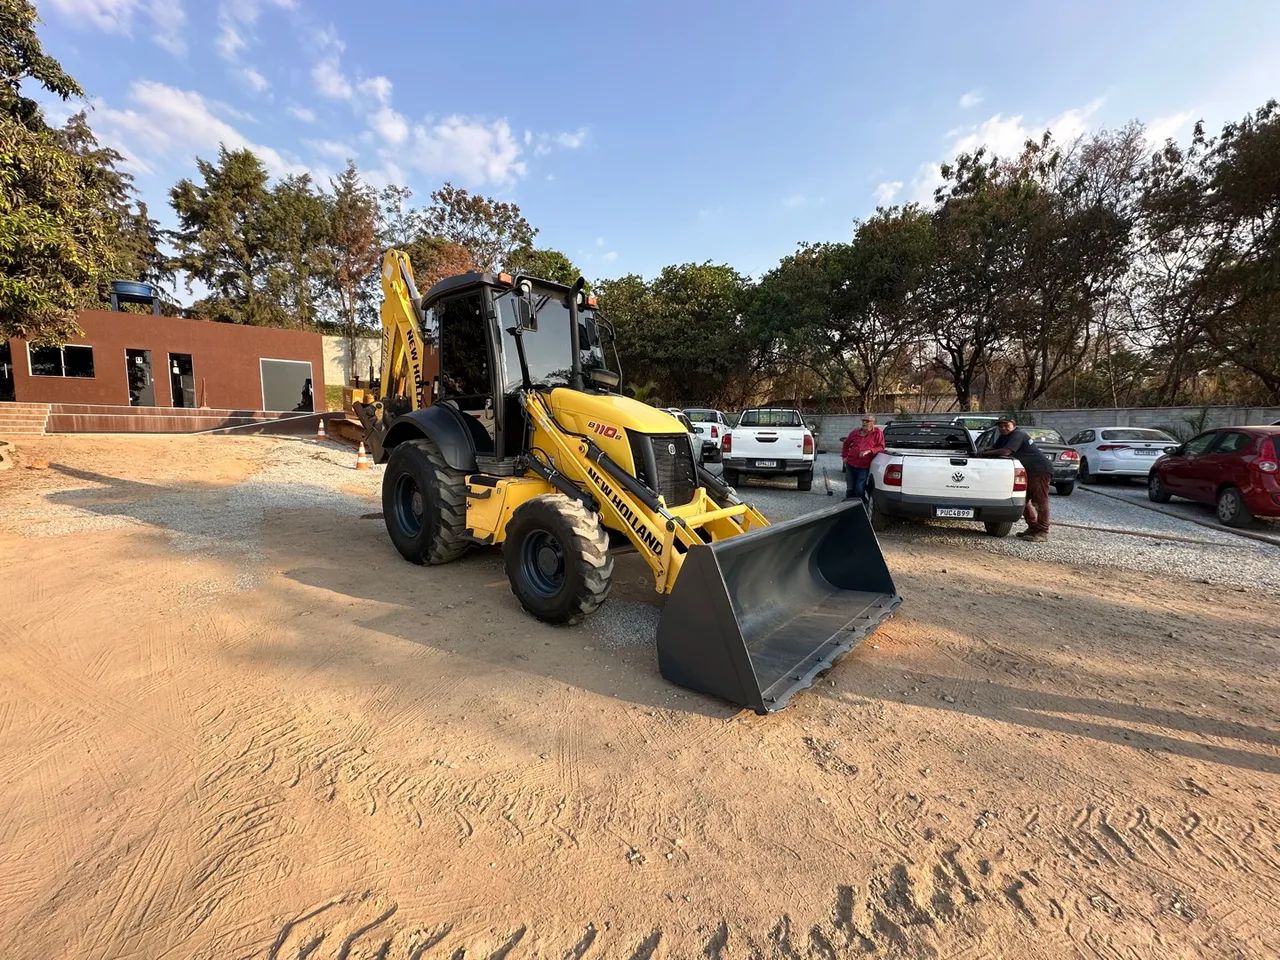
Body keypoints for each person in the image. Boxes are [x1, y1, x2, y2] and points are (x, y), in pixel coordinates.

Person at [980, 415, 1054, 541]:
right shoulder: (1004, 436)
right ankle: (1033, 527)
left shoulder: (1018, 435)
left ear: (1014, 425)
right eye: (1000, 426)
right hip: (1027, 472)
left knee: (1040, 501)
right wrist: (982, 450)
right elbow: (994, 448)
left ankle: (1043, 531)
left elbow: (1006, 452)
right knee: (1022, 501)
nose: (1003, 428)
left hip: (1039, 470)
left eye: (1006, 425)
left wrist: (984, 453)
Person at [841, 415, 885, 501]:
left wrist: (869, 451)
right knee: (850, 488)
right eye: (863, 421)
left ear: (873, 423)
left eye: (867, 421)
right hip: (851, 464)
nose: (864, 423)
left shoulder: (877, 433)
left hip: (864, 466)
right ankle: (848, 505)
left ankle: (861, 504)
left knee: (859, 489)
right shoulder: (855, 432)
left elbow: (881, 447)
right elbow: (846, 444)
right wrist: (844, 456)